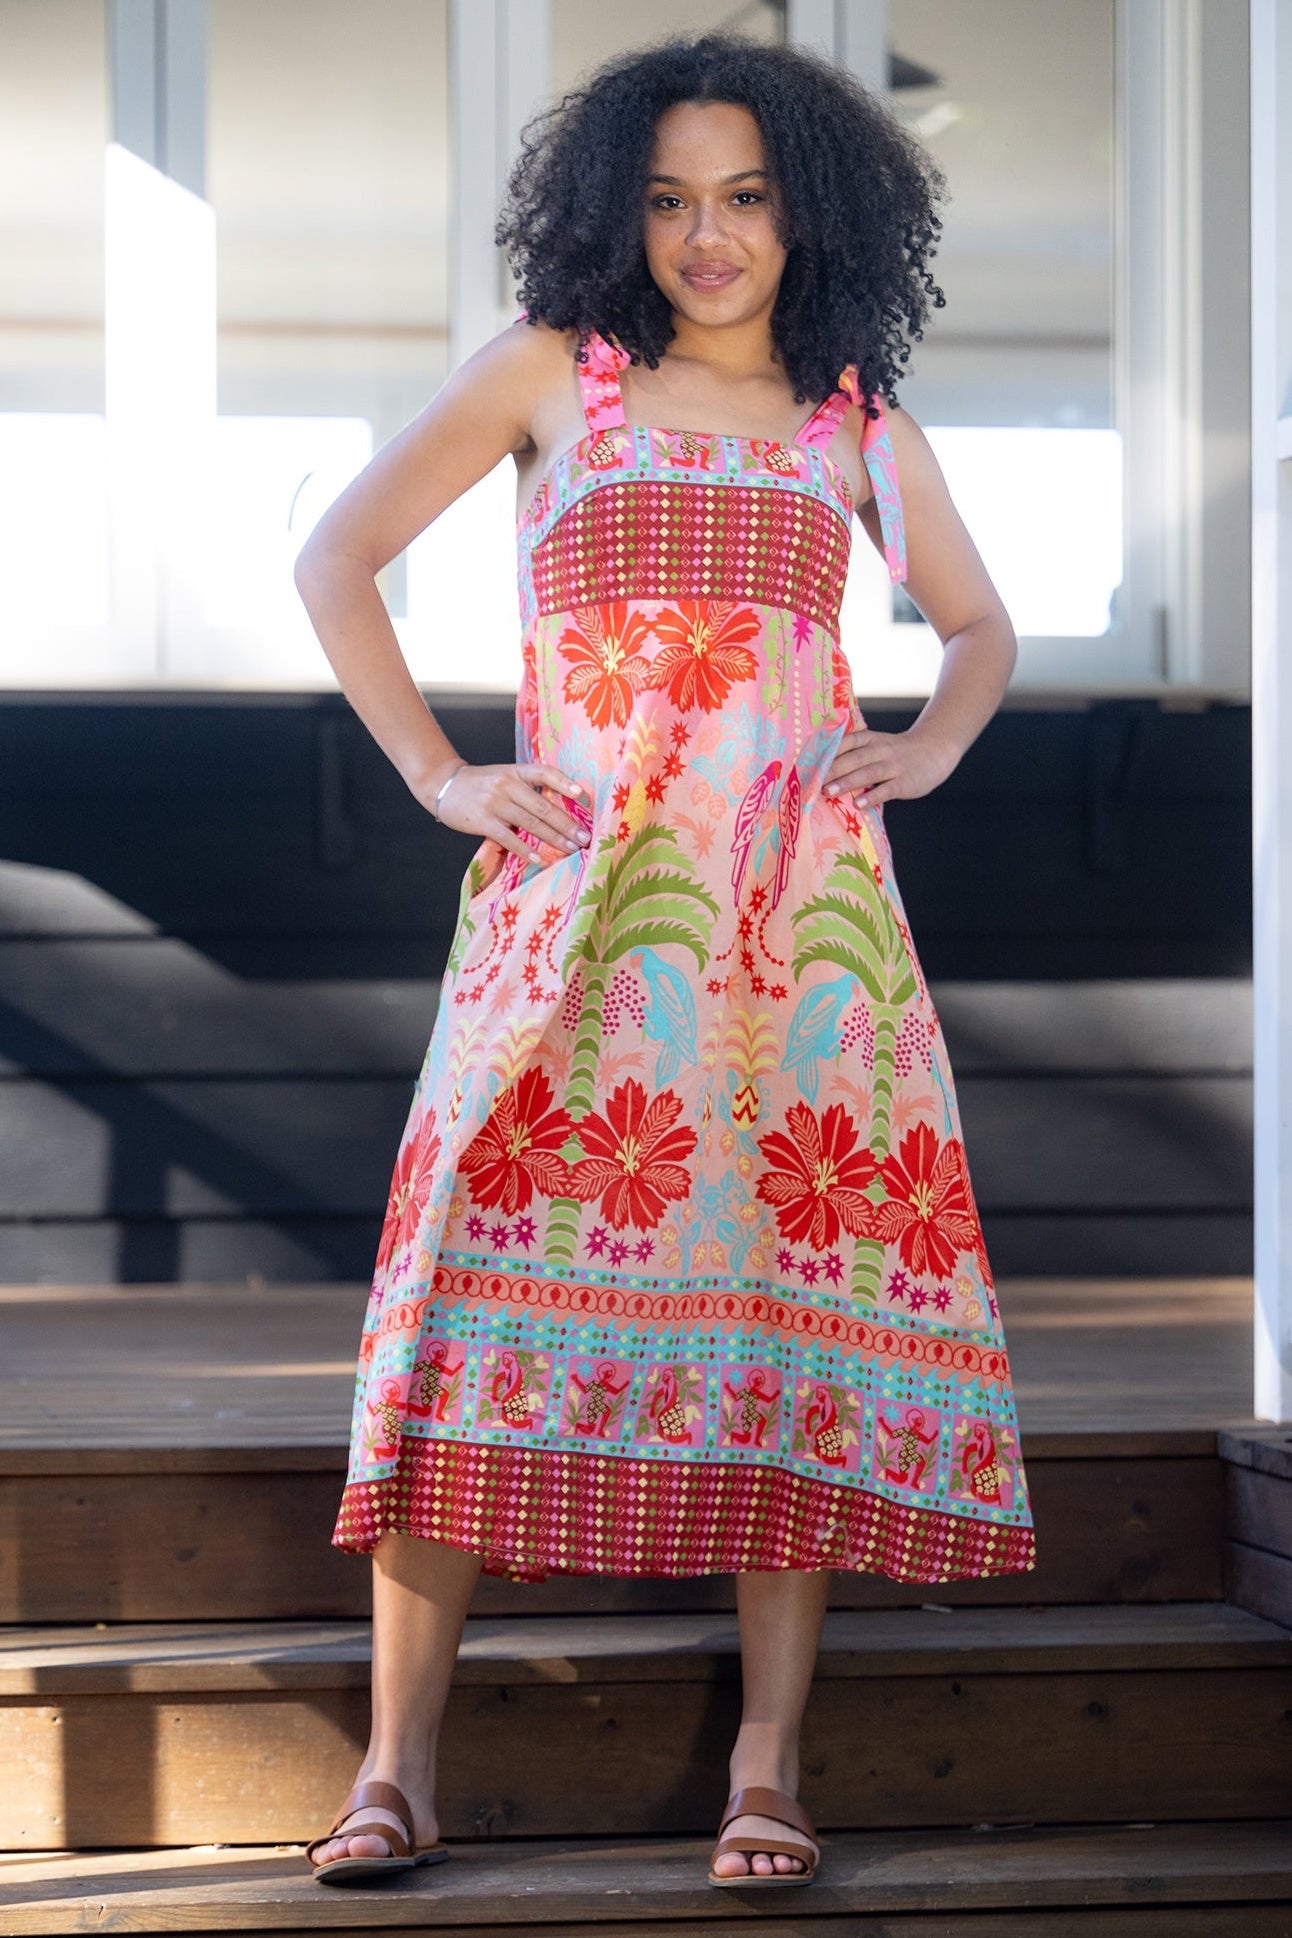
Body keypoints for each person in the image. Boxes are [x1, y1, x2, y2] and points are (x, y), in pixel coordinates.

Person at [293, 29, 1035, 1892]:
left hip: (800, 938)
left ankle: (768, 1768)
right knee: (466, 1300)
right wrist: (443, 775)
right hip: (575, 919)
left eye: (749, 198)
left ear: (813, 213)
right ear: (616, 212)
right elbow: (337, 558)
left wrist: (930, 748)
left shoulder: (855, 424)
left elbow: (978, 626)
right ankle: (396, 1766)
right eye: (672, 199)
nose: (710, 235)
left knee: (788, 1307)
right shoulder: (556, 372)